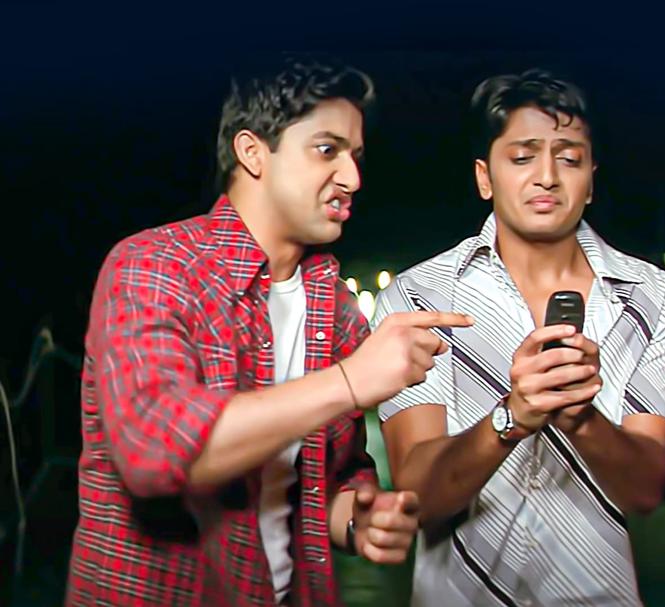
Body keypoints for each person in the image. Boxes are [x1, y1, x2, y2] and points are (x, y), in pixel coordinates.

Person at [66, 56, 471, 606]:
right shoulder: (154, 267)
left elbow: (330, 478)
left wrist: (359, 519)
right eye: (326, 150)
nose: (352, 178)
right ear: (252, 152)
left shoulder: (336, 309)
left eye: (355, 156)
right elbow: (156, 456)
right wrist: (351, 381)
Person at [373, 69, 665, 606]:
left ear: (591, 179)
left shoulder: (655, 299)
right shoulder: (420, 297)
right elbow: (418, 494)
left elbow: (645, 490)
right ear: (484, 177)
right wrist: (511, 418)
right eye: (522, 158)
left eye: (569, 159)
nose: (546, 176)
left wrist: (580, 417)